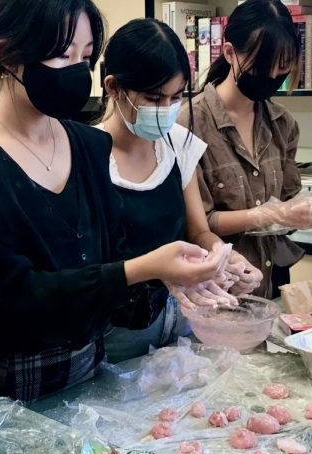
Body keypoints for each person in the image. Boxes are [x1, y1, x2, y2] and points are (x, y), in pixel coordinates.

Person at [0, 0, 226, 400]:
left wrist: (174, 279)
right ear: (8, 55)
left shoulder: (89, 145)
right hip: (4, 390)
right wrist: (145, 268)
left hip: (92, 373)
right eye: (64, 57)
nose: (78, 73)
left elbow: (107, 261)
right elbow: (10, 296)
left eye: (85, 58)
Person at [179, 0, 312, 298]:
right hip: (221, 285)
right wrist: (274, 214)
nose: (272, 77)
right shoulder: (191, 123)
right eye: (262, 66)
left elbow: (287, 204)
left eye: (283, 67)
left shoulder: (282, 123)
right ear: (229, 53)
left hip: (273, 281)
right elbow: (200, 225)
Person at [97, 18, 263, 362]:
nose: (165, 110)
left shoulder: (178, 144)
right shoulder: (88, 154)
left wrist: (224, 258)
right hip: (115, 329)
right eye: (153, 98)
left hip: (182, 312)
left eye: (175, 98)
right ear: (114, 88)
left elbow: (198, 229)